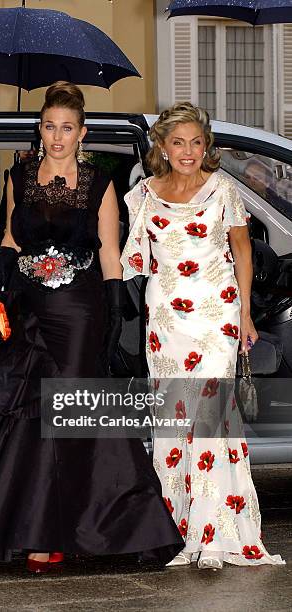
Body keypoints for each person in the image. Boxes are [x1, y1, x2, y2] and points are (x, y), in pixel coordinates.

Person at [0, 82, 183, 572]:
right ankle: (29, 530)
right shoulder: (20, 174)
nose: (56, 137)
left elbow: (110, 251)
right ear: (40, 129)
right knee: (21, 413)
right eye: (49, 127)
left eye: (66, 128)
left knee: (69, 412)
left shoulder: (101, 180)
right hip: (29, 310)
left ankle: (81, 529)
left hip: (80, 311)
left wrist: (113, 313)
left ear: (82, 133)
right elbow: (8, 237)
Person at [121, 102, 284, 569]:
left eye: (196, 142)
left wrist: (247, 314)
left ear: (206, 145)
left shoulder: (224, 189)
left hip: (217, 316)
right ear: (163, 147)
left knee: (211, 418)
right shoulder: (144, 195)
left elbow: (243, 252)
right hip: (167, 324)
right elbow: (129, 258)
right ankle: (177, 529)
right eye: (178, 142)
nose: (188, 151)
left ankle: (215, 537)